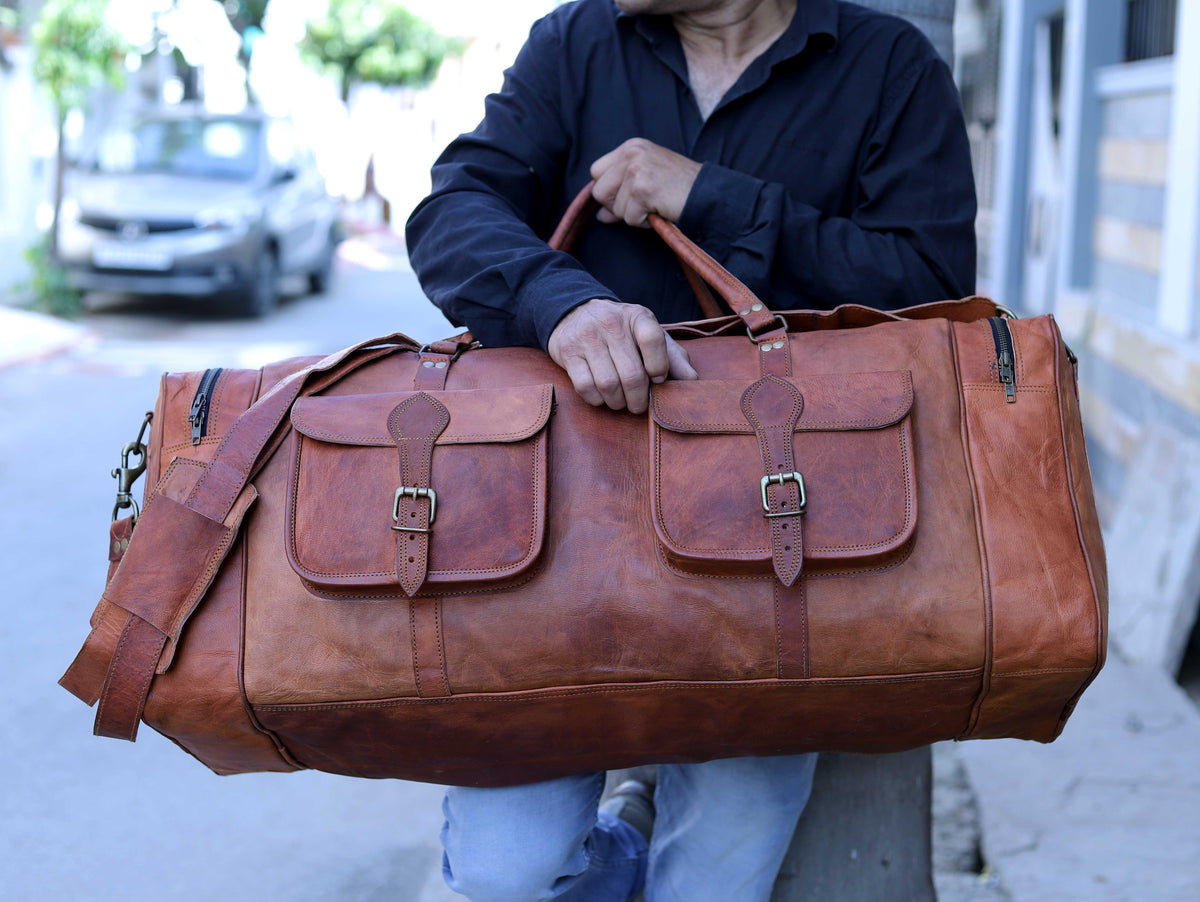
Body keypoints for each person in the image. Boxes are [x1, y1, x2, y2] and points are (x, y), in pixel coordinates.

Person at [406, 0, 976, 899]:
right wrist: (562, 303)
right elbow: (453, 208)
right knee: (506, 874)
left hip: (782, 544)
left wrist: (710, 197)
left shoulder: (890, 65)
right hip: (559, 534)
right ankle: (630, 837)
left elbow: (932, 293)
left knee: (715, 882)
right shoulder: (574, 41)